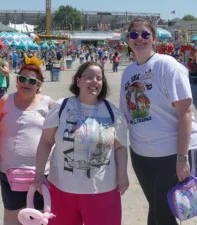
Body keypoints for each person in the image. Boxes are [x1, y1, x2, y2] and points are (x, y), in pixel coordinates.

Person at [119, 18, 197, 225]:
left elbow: (185, 112)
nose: (140, 39)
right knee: (155, 208)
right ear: (128, 40)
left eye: (145, 34)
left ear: (154, 39)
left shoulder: (167, 65)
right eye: (134, 35)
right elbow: (125, 118)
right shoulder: (128, 73)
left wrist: (182, 158)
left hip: (172, 152)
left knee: (164, 214)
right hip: (142, 153)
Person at [33, 61, 129, 225]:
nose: (95, 82)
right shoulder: (61, 107)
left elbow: (120, 147)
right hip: (63, 189)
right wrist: (39, 173)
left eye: (99, 78)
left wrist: (122, 175)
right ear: (78, 81)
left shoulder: (113, 112)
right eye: (89, 77)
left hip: (102, 190)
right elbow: (45, 142)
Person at [0, 54, 54, 225]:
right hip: (8, 170)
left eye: (32, 81)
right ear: (17, 80)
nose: (26, 83)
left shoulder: (49, 104)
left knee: (38, 217)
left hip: (41, 172)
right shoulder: (5, 101)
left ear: (39, 84)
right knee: (12, 214)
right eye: (22, 79)